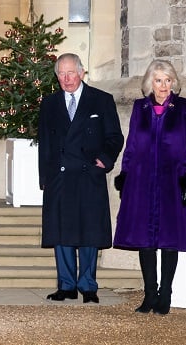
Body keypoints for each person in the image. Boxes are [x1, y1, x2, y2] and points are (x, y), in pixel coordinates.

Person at [112, 60, 186, 315]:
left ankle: (166, 294)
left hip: (171, 181)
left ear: (173, 82)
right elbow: (131, 145)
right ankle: (150, 294)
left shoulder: (184, 108)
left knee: (169, 239)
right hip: (142, 180)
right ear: (149, 83)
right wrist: (126, 175)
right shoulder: (140, 108)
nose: (163, 86)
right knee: (145, 240)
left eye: (167, 80)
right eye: (158, 80)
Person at [37, 53, 124, 303]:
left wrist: (104, 161)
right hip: (60, 178)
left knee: (89, 232)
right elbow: (45, 144)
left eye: (70, 73)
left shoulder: (101, 100)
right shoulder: (49, 104)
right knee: (62, 234)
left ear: (82, 72)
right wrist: (45, 177)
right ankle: (66, 285)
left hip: (89, 176)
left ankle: (88, 286)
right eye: (61, 74)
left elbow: (115, 137)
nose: (66, 79)